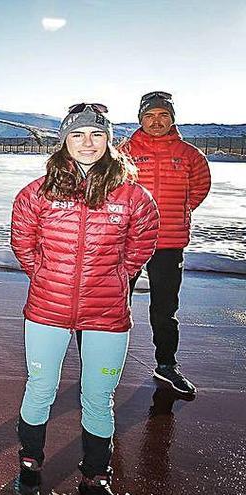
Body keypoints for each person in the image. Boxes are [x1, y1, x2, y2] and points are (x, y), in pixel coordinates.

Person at [10, 103, 159, 495]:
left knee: (98, 395)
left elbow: (141, 244)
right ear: (64, 141)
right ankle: (29, 465)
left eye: (96, 134)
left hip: (107, 313)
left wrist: (117, 277)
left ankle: (96, 473)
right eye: (77, 134)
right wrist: (45, 275)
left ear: (110, 141)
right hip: (47, 308)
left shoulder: (133, 196)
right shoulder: (36, 193)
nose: (87, 143)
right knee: (40, 386)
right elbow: (23, 243)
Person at [120, 91, 211, 395]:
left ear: (172, 119)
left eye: (163, 116)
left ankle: (166, 365)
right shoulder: (125, 151)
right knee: (117, 304)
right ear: (140, 119)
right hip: (128, 239)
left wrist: (177, 212)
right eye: (149, 116)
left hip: (170, 241)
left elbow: (198, 190)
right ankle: (108, 362)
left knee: (165, 307)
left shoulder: (189, 154)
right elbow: (113, 189)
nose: (156, 121)